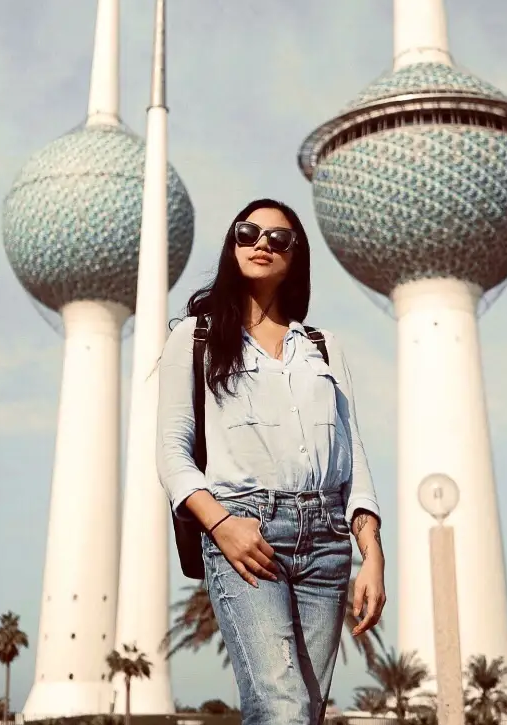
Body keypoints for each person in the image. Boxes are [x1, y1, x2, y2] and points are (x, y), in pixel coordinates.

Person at [156, 198, 385, 725]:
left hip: (328, 543)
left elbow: (355, 460)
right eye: (248, 231)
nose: (262, 243)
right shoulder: (194, 338)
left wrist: (371, 554)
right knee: (281, 708)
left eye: (278, 238)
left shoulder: (324, 349)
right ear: (233, 243)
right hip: (246, 533)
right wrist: (223, 525)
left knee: (305, 714)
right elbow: (171, 451)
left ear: (296, 257)